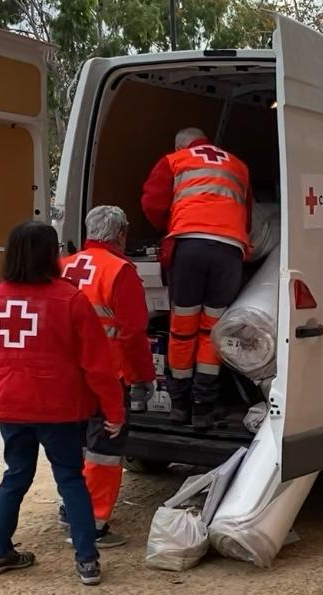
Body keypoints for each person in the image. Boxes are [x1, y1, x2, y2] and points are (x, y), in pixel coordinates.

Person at [0, 222, 125, 585]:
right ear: (50, 255)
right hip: (58, 408)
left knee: (15, 475)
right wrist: (114, 410)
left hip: (10, 404)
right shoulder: (70, 299)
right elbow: (97, 364)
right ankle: (87, 560)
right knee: (71, 478)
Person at [141, 127, 251, 430]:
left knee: (183, 329)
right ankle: (204, 408)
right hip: (229, 251)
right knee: (213, 329)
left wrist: (172, 225)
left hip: (190, 247)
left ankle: (179, 406)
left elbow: (152, 203)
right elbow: (247, 213)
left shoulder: (175, 160)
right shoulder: (238, 165)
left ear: (180, 144)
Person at [60, 206, 156, 547]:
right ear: (121, 234)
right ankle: (94, 524)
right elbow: (132, 334)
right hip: (106, 376)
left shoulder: (63, 265)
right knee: (103, 449)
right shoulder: (121, 271)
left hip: (65, 376)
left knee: (74, 444)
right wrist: (143, 378)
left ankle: (71, 507)